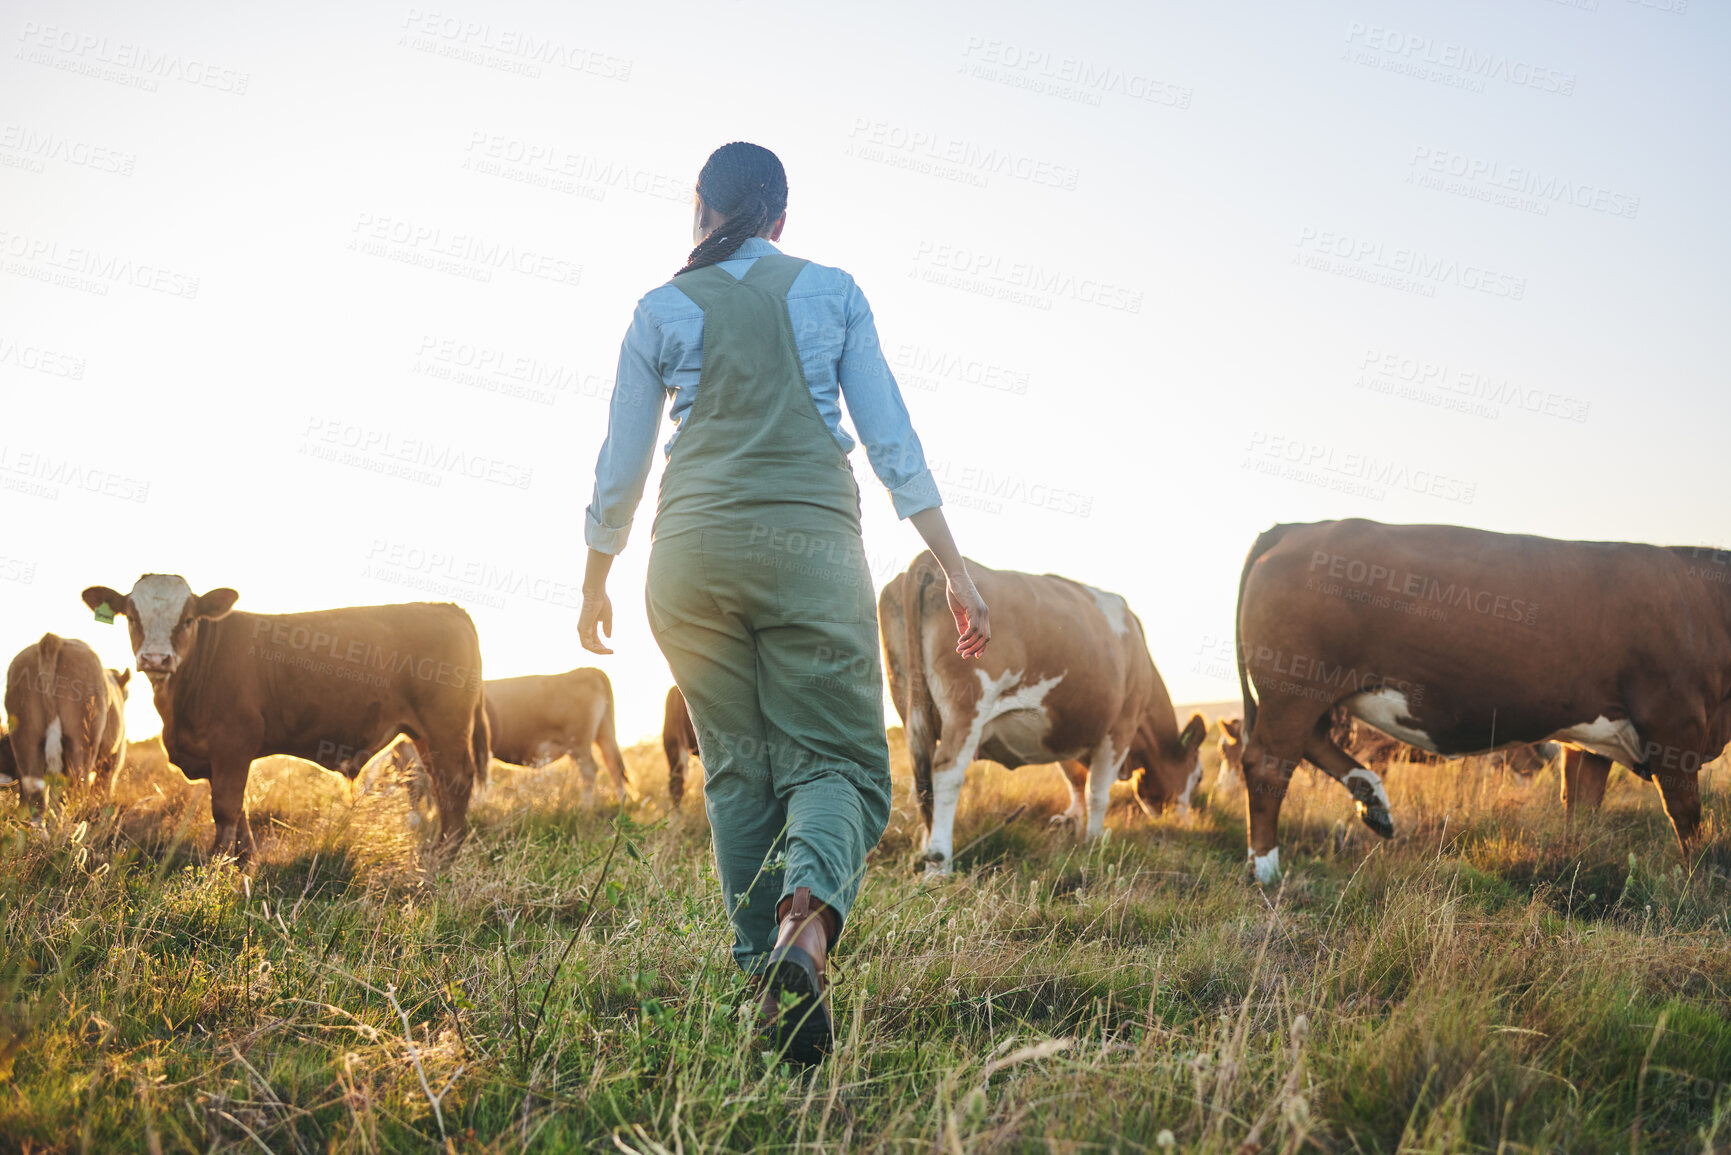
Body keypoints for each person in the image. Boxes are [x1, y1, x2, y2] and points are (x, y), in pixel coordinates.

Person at [577, 141, 990, 1064]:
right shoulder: (832, 291)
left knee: (737, 773)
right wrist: (954, 568)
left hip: (685, 562)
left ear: (699, 210)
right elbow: (892, 445)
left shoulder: (658, 308)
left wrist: (596, 571)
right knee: (842, 764)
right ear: (781, 221)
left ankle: (760, 985)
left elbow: (624, 460)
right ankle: (803, 928)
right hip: (807, 554)